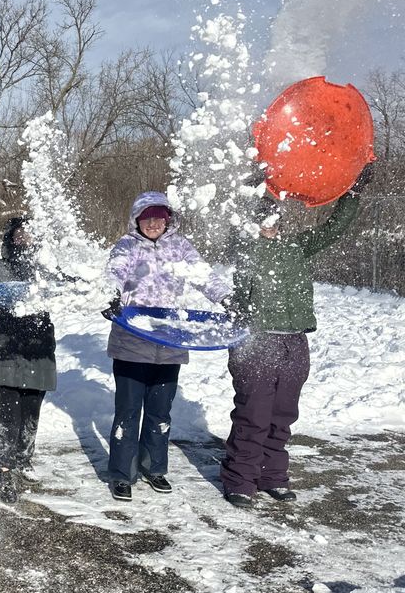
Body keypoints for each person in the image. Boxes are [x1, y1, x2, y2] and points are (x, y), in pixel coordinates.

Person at [220, 166, 371, 508]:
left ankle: (272, 476)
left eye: (274, 217)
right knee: (253, 415)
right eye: (262, 218)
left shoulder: (297, 247)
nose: (269, 224)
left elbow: (334, 229)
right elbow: (238, 229)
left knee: (282, 415)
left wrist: (352, 193)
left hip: (294, 341)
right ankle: (240, 480)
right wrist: (256, 185)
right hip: (257, 341)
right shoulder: (246, 248)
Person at [103, 191, 230, 502]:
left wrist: (226, 297)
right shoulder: (127, 245)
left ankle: (155, 468)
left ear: (168, 219)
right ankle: (122, 474)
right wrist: (110, 295)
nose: (154, 223)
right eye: (147, 217)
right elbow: (114, 271)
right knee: (128, 411)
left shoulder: (181, 247)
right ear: (137, 219)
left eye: (159, 217)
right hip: (132, 339)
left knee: (160, 412)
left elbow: (203, 274)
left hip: (170, 339)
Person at [0, 217, 56, 504]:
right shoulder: (1, 266)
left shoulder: (48, 267)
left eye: (30, 234)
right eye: (19, 234)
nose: (24, 238)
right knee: (7, 408)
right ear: (11, 238)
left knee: (32, 406)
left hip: (38, 343)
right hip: (6, 342)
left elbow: (69, 287)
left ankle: (23, 457)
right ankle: (5, 469)